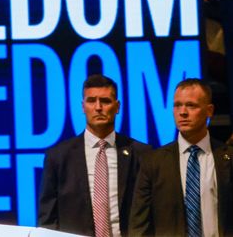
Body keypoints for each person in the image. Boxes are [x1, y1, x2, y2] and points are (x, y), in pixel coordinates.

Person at [38, 74, 151, 236]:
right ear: (83, 107)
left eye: (105, 101)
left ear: (117, 106)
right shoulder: (58, 157)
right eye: (91, 101)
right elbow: (47, 219)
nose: (98, 107)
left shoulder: (141, 153)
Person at [130, 79, 233, 236]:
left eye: (191, 105)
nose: (182, 112)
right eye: (177, 105)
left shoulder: (228, 157)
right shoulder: (153, 162)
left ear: (209, 110)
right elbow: (139, 225)